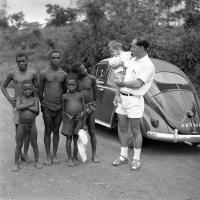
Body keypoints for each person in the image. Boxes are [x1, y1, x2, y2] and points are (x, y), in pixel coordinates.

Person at [112, 39, 155, 170]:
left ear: (142, 48)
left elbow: (138, 84)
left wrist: (122, 84)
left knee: (136, 130)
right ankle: (123, 157)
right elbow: (121, 74)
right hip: (123, 99)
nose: (131, 49)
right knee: (122, 128)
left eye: (133, 47)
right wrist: (117, 94)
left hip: (135, 100)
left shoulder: (148, 65)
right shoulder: (131, 59)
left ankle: (136, 159)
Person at [1, 52, 39, 163]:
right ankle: (20, 152)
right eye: (19, 61)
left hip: (31, 105)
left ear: (27, 61)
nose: (22, 63)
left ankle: (25, 154)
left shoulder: (32, 74)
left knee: (28, 130)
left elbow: (36, 90)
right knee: (19, 130)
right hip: (18, 105)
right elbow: (3, 86)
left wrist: (37, 105)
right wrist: (9, 99)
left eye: (24, 61)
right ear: (16, 62)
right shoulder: (13, 74)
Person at [39, 50, 68, 165]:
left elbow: (65, 92)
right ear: (49, 59)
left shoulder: (64, 74)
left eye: (58, 58)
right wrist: (43, 104)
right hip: (47, 106)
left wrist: (63, 107)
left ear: (60, 59)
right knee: (47, 130)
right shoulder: (44, 73)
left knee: (56, 131)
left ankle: (54, 155)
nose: (56, 60)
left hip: (59, 107)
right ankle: (47, 156)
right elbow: (40, 91)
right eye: (53, 58)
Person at [71, 62, 100, 163]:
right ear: (76, 73)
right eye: (81, 70)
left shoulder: (91, 78)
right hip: (79, 109)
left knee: (92, 131)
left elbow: (95, 93)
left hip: (90, 107)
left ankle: (94, 154)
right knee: (77, 132)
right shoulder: (74, 81)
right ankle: (75, 155)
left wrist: (93, 105)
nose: (84, 70)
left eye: (84, 68)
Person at [13, 80, 43, 172]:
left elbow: (36, 109)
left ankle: (37, 161)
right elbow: (18, 107)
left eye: (29, 89)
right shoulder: (19, 98)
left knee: (34, 143)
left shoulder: (35, 99)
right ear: (22, 90)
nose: (27, 91)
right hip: (21, 125)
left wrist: (25, 106)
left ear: (32, 89)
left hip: (32, 125)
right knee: (18, 144)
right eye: (25, 89)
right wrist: (29, 105)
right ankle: (15, 164)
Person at [61, 73, 85, 167]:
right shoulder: (64, 96)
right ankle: (69, 158)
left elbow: (84, 109)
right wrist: (67, 117)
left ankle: (75, 156)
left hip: (79, 120)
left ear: (76, 85)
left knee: (76, 139)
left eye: (73, 85)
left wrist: (83, 118)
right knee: (68, 138)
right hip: (68, 120)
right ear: (66, 86)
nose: (71, 87)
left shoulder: (80, 95)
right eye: (69, 85)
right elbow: (63, 110)